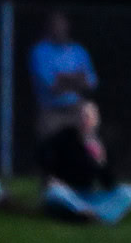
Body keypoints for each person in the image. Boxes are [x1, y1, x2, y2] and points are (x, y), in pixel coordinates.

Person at [39, 101, 131, 224]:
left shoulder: (101, 144)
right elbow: (43, 156)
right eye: (81, 116)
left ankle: (95, 215)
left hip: (89, 194)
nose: (84, 120)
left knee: (129, 192)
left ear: (96, 120)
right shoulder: (64, 138)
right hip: (68, 192)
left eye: (88, 117)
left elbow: (109, 184)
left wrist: (100, 162)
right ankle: (89, 213)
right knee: (55, 193)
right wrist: (50, 178)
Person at [30, 12, 99, 144]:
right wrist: (77, 79)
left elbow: (91, 83)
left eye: (62, 24)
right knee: (52, 152)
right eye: (56, 24)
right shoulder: (40, 51)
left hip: (77, 112)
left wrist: (63, 78)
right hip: (51, 113)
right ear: (49, 26)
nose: (59, 28)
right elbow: (52, 86)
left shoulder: (79, 51)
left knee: (84, 150)